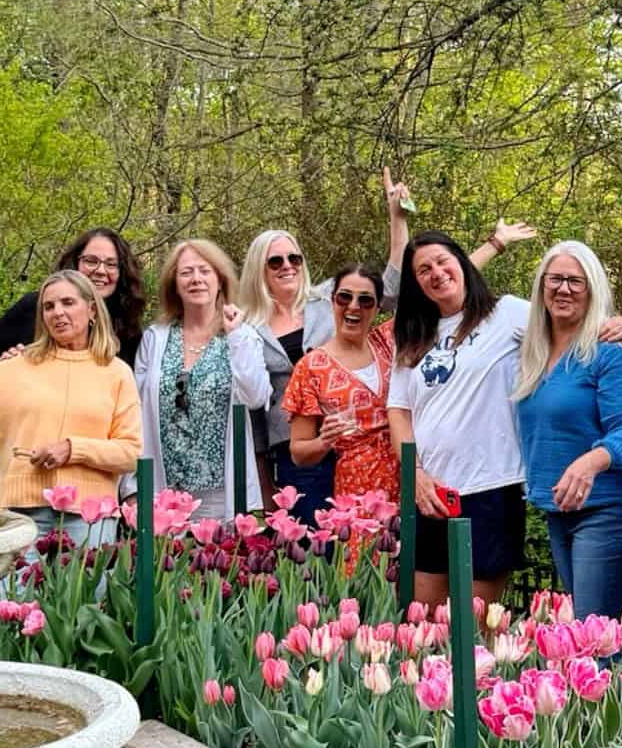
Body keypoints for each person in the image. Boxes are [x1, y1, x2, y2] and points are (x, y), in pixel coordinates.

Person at [240, 169, 536, 514]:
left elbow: (427, 285)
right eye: (275, 260)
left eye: (294, 258)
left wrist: (492, 243)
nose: (353, 307)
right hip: (309, 458)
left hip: (390, 462)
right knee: (316, 556)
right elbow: (254, 413)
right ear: (258, 268)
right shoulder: (245, 329)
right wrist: (263, 479)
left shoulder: (334, 307)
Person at [388, 232, 622, 610]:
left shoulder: (506, 314)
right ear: (415, 282)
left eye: (442, 261)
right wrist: (414, 472)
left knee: (471, 624)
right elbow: (399, 410)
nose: (435, 273)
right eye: (423, 270)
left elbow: (568, 324)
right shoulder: (410, 334)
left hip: (491, 487)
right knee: (422, 624)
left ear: (464, 263)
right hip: (429, 491)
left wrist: (617, 323)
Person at [0, 274, 142, 542]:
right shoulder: (14, 369)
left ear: (92, 309)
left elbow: (131, 452)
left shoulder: (117, 373)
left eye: (68, 303)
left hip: (90, 518)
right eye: (49, 306)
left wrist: (72, 449)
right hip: (22, 515)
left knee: (84, 587)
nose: (58, 313)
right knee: (20, 586)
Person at [513, 243, 622, 624]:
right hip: (560, 508)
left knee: (593, 632)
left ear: (592, 289)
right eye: (555, 279)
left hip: (611, 507)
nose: (564, 289)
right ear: (541, 287)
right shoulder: (534, 354)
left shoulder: (611, 351)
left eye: (575, 281)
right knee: (610, 631)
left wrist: (590, 462)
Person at [0, 229, 147, 511]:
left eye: (110, 264)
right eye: (91, 261)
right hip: (12, 462)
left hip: (86, 478)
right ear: (75, 263)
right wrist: (1, 369)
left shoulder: (127, 331)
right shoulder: (37, 308)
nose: (100, 271)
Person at [133, 240, 270, 517]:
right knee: (168, 562)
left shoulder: (241, 336)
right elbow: (134, 411)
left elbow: (255, 397)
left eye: (204, 271)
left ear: (219, 279)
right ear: (174, 284)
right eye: (186, 273)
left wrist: (236, 335)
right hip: (165, 493)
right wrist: (132, 486)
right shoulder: (154, 338)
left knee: (221, 559)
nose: (196, 279)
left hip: (222, 493)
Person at [283, 264, 399, 500]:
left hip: (410, 480)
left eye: (365, 300)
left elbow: (437, 287)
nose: (353, 306)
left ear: (378, 308)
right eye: (344, 297)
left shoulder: (388, 341)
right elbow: (299, 452)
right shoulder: (311, 367)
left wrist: (495, 245)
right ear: (332, 302)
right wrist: (324, 441)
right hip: (356, 490)